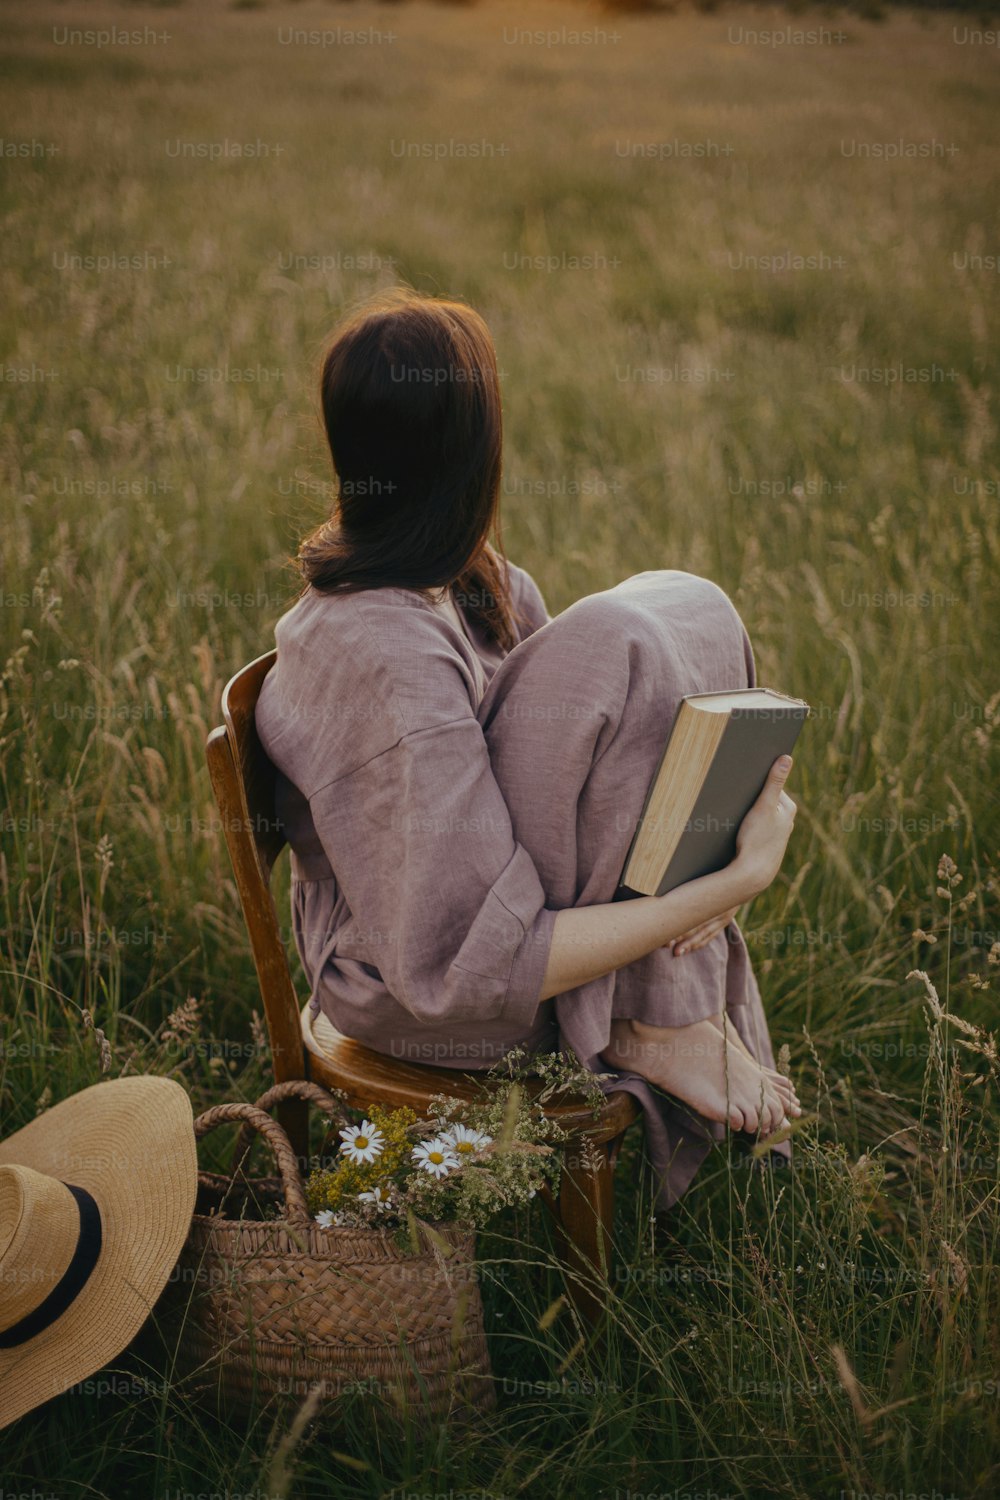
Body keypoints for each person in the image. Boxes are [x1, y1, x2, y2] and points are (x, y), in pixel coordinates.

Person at [256, 286, 800, 1212]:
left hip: (501, 923)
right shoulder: (388, 667)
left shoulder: (471, 582)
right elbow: (464, 971)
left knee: (680, 606)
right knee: (613, 639)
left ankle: (660, 1016)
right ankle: (647, 1024)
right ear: (476, 451)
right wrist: (724, 884)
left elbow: (605, 768)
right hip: (420, 991)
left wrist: (715, 819)